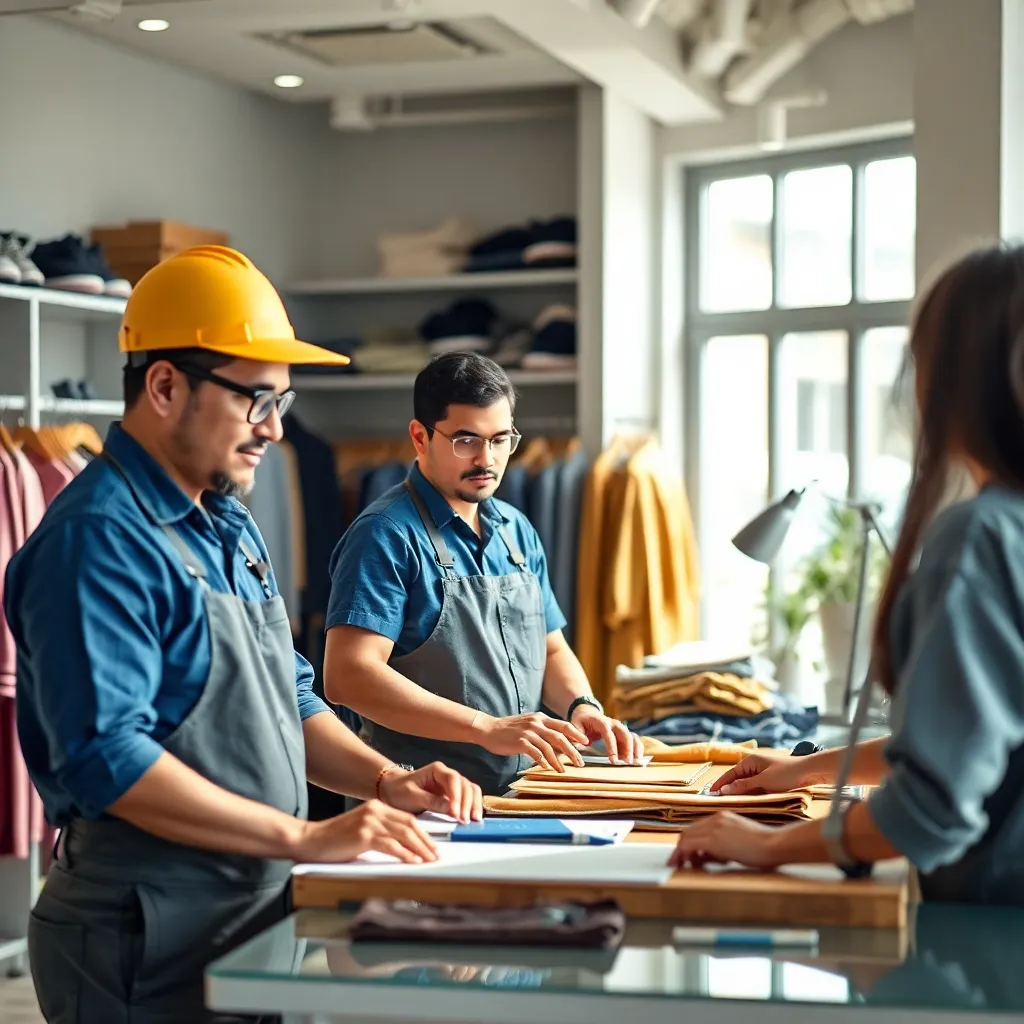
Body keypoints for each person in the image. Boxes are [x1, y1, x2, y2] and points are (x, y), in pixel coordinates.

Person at [4, 245, 482, 1024]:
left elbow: (285, 691)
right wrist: (305, 835)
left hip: (248, 910)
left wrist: (385, 779)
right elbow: (107, 760)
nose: (274, 431)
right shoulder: (96, 539)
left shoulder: (225, 516)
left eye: (283, 405)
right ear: (164, 385)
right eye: (256, 401)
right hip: (146, 937)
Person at [669, 243, 1024, 905]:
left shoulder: (981, 537)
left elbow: (931, 812)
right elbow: (962, 735)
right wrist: (805, 770)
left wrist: (766, 845)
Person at [323, 352, 643, 796]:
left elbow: (550, 650)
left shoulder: (516, 530)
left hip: (521, 797)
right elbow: (349, 676)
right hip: (421, 803)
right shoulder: (384, 535)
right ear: (420, 437)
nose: (486, 459)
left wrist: (580, 706)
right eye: (466, 440)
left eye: (500, 440)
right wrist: (484, 727)